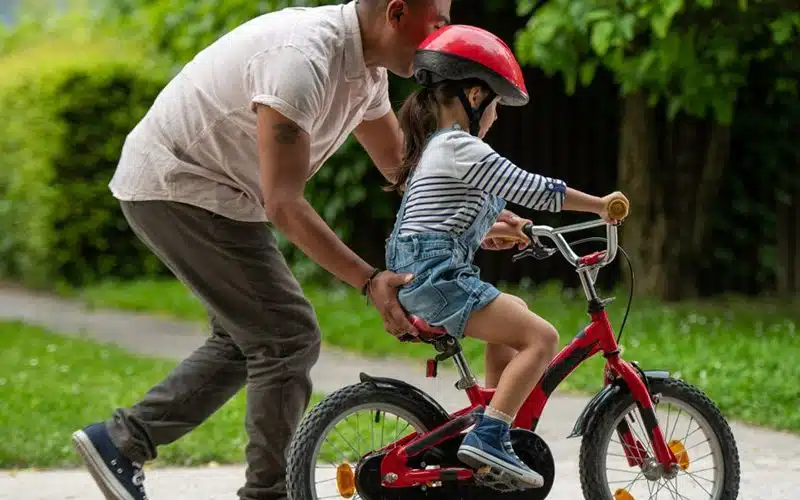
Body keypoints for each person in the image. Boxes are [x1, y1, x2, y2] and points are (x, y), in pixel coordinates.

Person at [63, 2, 525, 500]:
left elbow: (402, 172)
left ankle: (121, 441)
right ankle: (268, 493)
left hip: (218, 192)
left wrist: (473, 218)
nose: (444, 34)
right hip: (178, 183)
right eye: (437, 20)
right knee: (286, 336)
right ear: (395, 12)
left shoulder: (364, 72)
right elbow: (284, 203)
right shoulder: (303, 60)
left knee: (253, 336)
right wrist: (369, 280)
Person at [385, 24, 629, 487]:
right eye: (495, 105)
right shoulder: (460, 145)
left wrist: (495, 231)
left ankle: (492, 420)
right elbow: (532, 187)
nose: (495, 117)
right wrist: (600, 205)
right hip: (436, 278)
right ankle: (491, 436)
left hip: (427, 272)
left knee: (514, 313)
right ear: (474, 95)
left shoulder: (441, 150)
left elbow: (447, 220)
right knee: (543, 337)